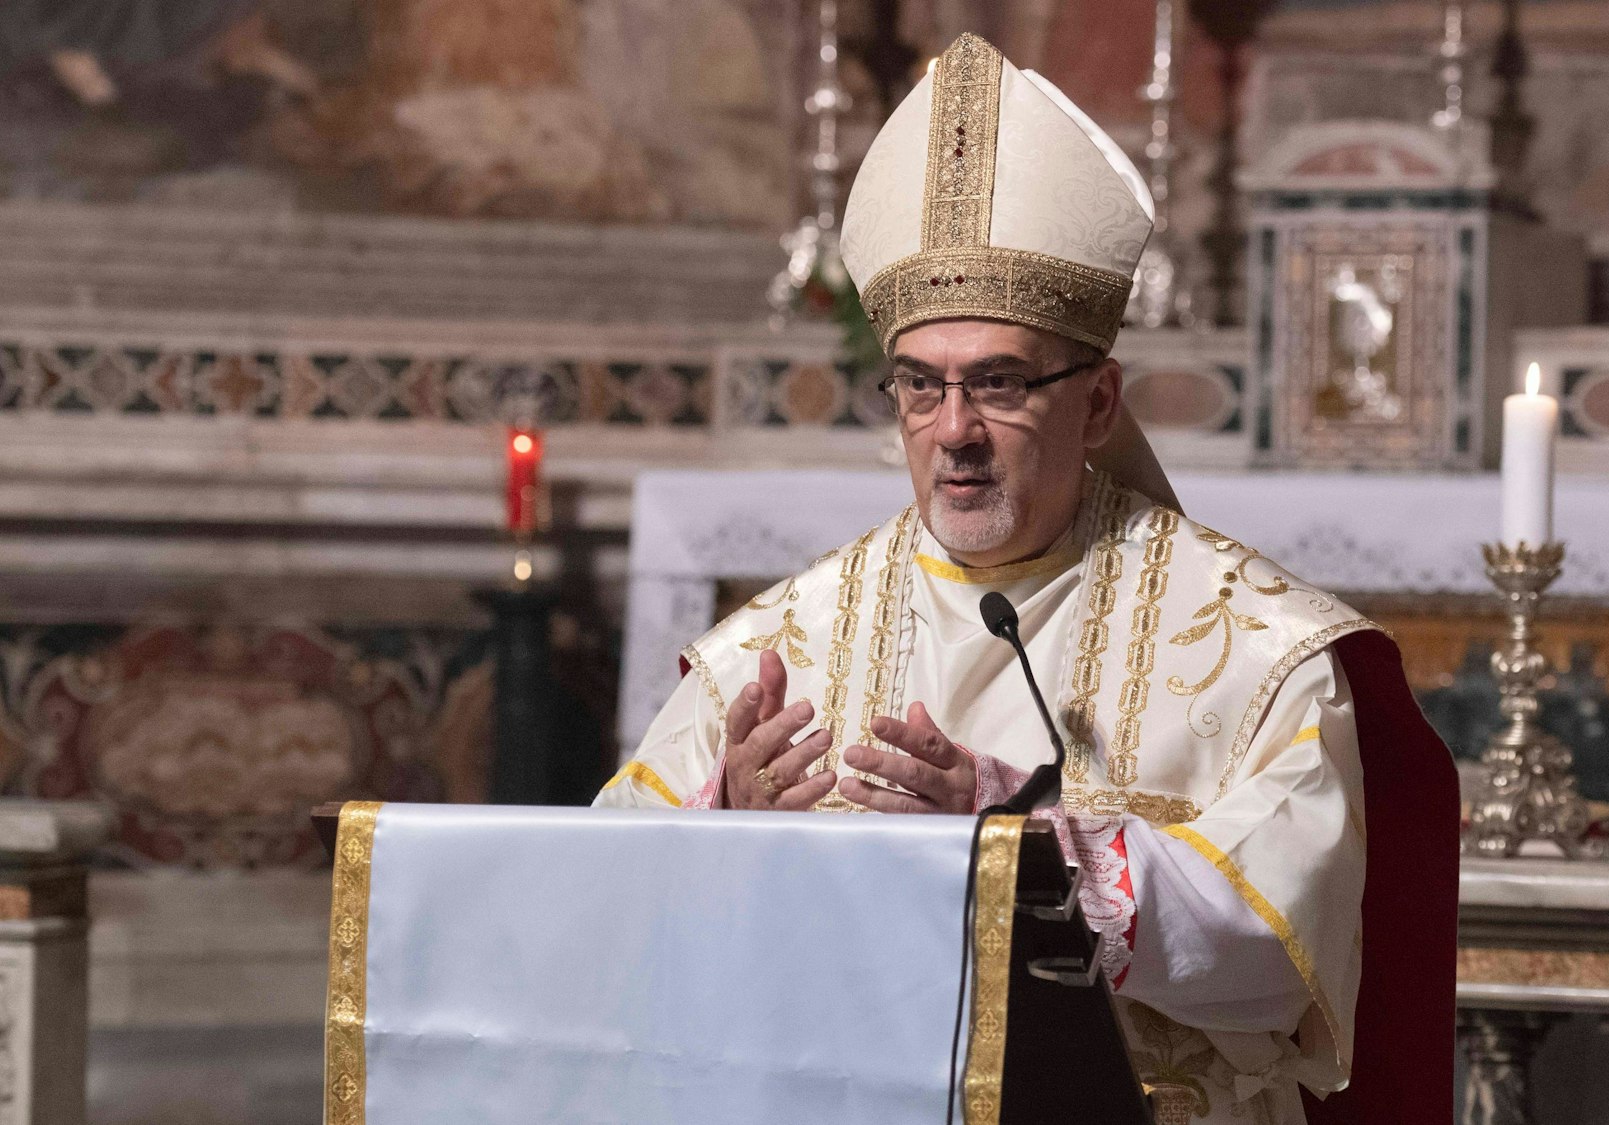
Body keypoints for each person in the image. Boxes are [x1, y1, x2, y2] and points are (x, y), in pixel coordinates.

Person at [598, 33, 1449, 1123]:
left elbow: (1280, 954)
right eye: (920, 386)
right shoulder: (775, 650)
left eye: (998, 383)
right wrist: (724, 829)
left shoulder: (1258, 651)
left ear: (1097, 404)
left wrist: (1028, 851)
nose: (953, 430)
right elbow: (608, 908)